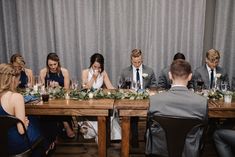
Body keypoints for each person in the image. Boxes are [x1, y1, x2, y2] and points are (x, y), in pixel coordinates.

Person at [146, 59, 208, 156]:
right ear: (190, 76)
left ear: (170, 75)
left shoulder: (155, 100)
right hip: (189, 152)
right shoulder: (202, 102)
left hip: (161, 151)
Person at [0, 63, 41, 155]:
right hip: (13, 145)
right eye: (18, 79)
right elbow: (21, 131)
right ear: (12, 79)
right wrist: (24, 123)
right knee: (37, 128)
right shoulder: (16, 97)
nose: (19, 82)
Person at [119, 49, 157, 147]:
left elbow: (154, 86)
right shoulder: (124, 72)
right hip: (131, 100)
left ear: (142, 59)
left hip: (146, 99)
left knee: (152, 116)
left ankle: (147, 137)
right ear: (131, 60)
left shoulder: (149, 71)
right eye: (135, 62)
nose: (137, 64)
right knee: (132, 117)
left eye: (139, 62)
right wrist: (126, 91)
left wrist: (148, 91)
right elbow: (120, 87)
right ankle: (134, 139)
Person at [39, 53, 75, 141]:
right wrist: (49, 88)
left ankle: (65, 124)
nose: (53, 67)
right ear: (47, 64)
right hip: (49, 98)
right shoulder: (43, 72)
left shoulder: (64, 71)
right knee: (49, 107)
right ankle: (59, 127)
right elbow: (42, 89)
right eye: (50, 65)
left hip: (62, 98)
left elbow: (67, 90)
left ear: (58, 63)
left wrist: (58, 86)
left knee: (60, 106)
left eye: (55, 64)